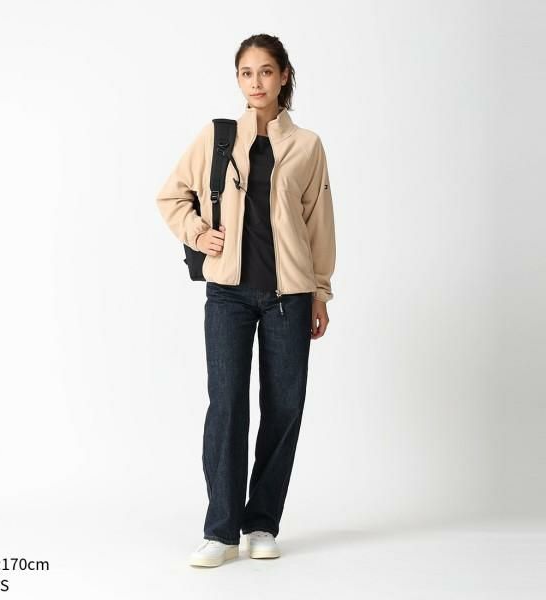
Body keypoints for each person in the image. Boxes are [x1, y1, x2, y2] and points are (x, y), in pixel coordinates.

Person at [156, 33, 336, 568]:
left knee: (284, 408)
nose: (255, 82)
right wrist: (198, 233)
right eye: (246, 73)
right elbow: (171, 196)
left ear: (284, 76)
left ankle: (262, 523)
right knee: (228, 406)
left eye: (265, 71)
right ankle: (220, 530)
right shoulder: (217, 137)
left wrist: (320, 291)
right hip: (228, 295)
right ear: (238, 79)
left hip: (290, 297)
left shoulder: (307, 145)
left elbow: (319, 224)